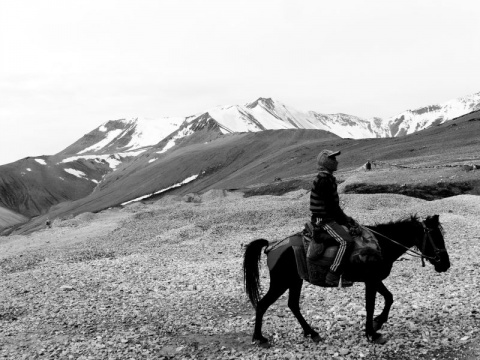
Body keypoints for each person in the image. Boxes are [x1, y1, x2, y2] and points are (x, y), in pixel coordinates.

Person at [310, 149, 356, 287]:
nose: (336, 162)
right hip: (323, 220)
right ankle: (333, 275)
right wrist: (346, 221)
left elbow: (333, 207)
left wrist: (347, 220)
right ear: (327, 162)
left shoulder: (327, 178)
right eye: (333, 159)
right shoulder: (324, 181)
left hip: (328, 218)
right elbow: (332, 208)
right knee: (346, 241)